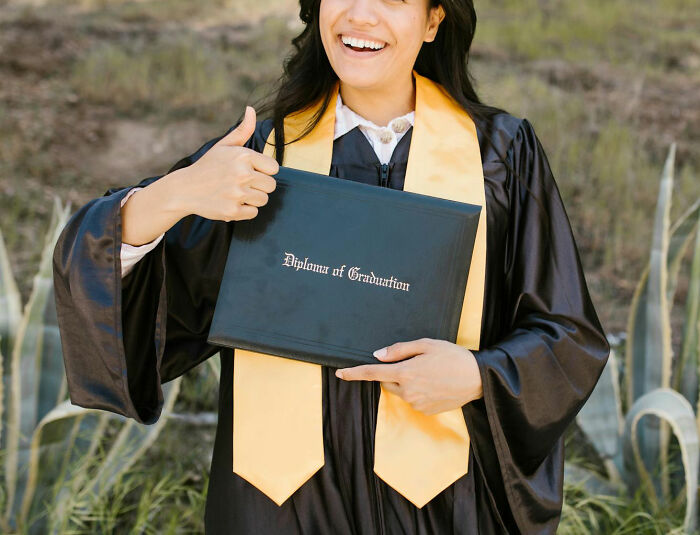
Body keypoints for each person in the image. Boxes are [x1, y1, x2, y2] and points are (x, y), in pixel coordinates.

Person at [52, 0, 611, 533]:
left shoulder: (501, 157)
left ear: (434, 19)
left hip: (447, 508)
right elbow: (122, 288)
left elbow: (566, 335)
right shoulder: (264, 159)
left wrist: (479, 376)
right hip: (278, 509)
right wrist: (173, 196)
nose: (360, 15)